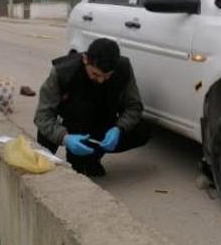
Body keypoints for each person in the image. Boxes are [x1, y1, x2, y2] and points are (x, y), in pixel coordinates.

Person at [34, 38, 151, 177]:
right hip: (71, 124)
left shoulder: (123, 67)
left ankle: (92, 159)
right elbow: (42, 116)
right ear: (85, 59)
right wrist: (64, 137)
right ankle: (74, 161)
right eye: (95, 74)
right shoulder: (62, 72)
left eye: (107, 76)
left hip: (102, 120)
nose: (101, 80)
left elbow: (134, 107)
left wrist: (119, 128)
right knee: (51, 131)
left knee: (142, 129)